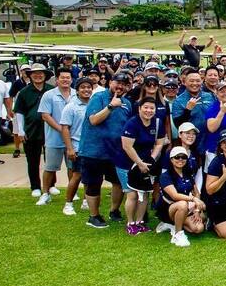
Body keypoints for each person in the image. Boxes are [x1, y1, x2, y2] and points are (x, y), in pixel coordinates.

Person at [79, 72, 131, 228]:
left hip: (116, 151)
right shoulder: (98, 98)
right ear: (110, 83)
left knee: (118, 182)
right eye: (117, 83)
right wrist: (110, 106)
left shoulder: (127, 103)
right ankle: (94, 216)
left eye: (123, 84)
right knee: (94, 183)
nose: (120, 86)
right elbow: (93, 120)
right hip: (94, 150)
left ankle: (114, 211)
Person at [120, 96, 167, 235]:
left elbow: (159, 143)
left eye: (152, 108)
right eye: (145, 107)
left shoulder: (157, 123)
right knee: (133, 194)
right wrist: (139, 163)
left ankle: (140, 222)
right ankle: (130, 223)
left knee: (145, 194)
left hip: (147, 163)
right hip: (128, 163)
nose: (149, 110)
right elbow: (127, 146)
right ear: (139, 109)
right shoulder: (132, 123)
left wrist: (152, 159)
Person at [154, 146, 206, 247]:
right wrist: (193, 199)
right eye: (177, 157)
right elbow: (174, 196)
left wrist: (197, 211)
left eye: (183, 157)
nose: (180, 160)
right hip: (169, 209)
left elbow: (196, 192)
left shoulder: (188, 174)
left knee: (198, 228)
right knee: (182, 204)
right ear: (171, 159)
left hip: (187, 208)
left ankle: (173, 225)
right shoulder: (165, 176)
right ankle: (178, 234)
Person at [36, 67, 74, 205]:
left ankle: (72, 192)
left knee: (72, 168)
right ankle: (45, 193)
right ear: (57, 80)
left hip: (72, 139)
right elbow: (45, 115)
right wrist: (62, 130)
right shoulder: (49, 95)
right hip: (54, 139)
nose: (65, 80)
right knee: (50, 167)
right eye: (62, 78)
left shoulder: (76, 94)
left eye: (68, 78)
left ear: (71, 79)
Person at [58, 77, 94, 215]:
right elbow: (65, 128)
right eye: (83, 87)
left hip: (92, 146)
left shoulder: (94, 104)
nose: (86, 90)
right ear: (77, 90)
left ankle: (86, 200)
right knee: (77, 175)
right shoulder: (71, 107)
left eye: (89, 87)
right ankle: (68, 204)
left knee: (91, 176)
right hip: (78, 146)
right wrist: (70, 148)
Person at [171, 71, 215, 151]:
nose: (195, 83)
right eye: (191, 81)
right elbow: (178, 124)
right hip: (190, 142)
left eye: (198, 81)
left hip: (210, 140)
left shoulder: (210, 96)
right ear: (184, 82)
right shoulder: (178, 101)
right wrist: (188, 110)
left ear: (202, 81)